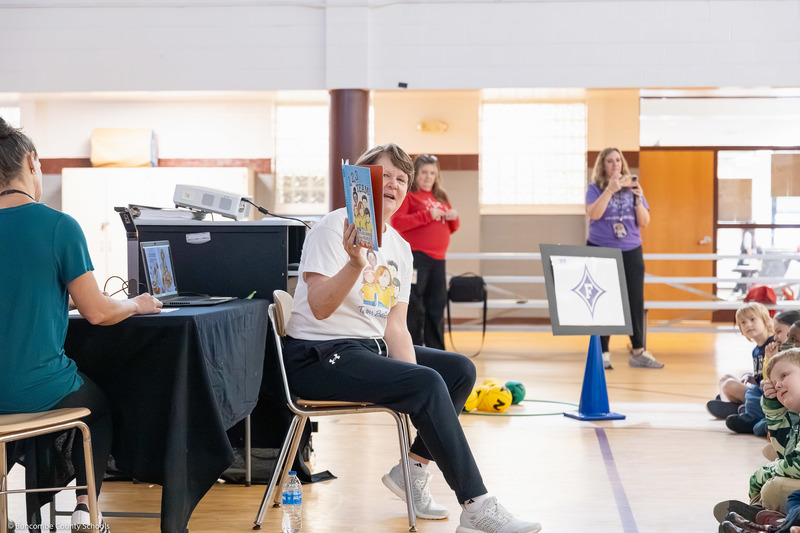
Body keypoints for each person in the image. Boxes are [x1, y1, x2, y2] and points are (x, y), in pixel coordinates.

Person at [284, 143, 540, 532]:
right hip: (318, 355)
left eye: (401, 179)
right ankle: (477, 507)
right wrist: (354, 265)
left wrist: (412, 389)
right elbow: (319, 307)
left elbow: (396, 327)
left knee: (456, 370)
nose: (393, 184)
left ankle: (412, 470)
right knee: (426, 381)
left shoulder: (400, 248)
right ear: (360, 180)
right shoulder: (333, 227)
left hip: (369, 348)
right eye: (383, 175)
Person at [0, 117, 162, 531]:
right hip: (35, 390)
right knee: (100, 406)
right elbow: (98, 313)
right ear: (32, 163)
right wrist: (136, 304)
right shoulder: (57, 226)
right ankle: (85, 510)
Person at [585, 147, 663, 369]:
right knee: (601, 300)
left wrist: (638, 199)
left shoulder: (634, 189)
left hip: (631, 250)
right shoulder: (594, 189)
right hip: (601, 249)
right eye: (609, 161)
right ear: (602, 165)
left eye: (618, 160)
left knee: (635, 300)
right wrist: (609, 190)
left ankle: (638, 350)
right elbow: (594, 214)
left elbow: (645, 221)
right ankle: (602, 352)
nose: (615, 164)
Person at [389, 153, 459, 350]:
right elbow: (399, 223)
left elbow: (452, 228)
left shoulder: (441, 196)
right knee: (414, 308)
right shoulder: (410, 196)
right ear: (416, 174)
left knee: (437, 307)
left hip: (439, 260)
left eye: (432, 173)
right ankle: (413, 349)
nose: (428, 177)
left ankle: (438, 351)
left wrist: (453, 217)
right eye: (424, 173)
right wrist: (427, 215)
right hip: (417, 258)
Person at [709, 310, 798, 421]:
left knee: (733, 386)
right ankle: (735, 405)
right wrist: (752, 375)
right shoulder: (758, 350)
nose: (748, 325)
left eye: (752, 319)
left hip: (770, 395)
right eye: (743, 323)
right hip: (764, 390)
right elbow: (762, 375)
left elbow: (771, 379)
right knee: (726, 379)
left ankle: (738, 408)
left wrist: (771, 359)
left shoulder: (779, 349)